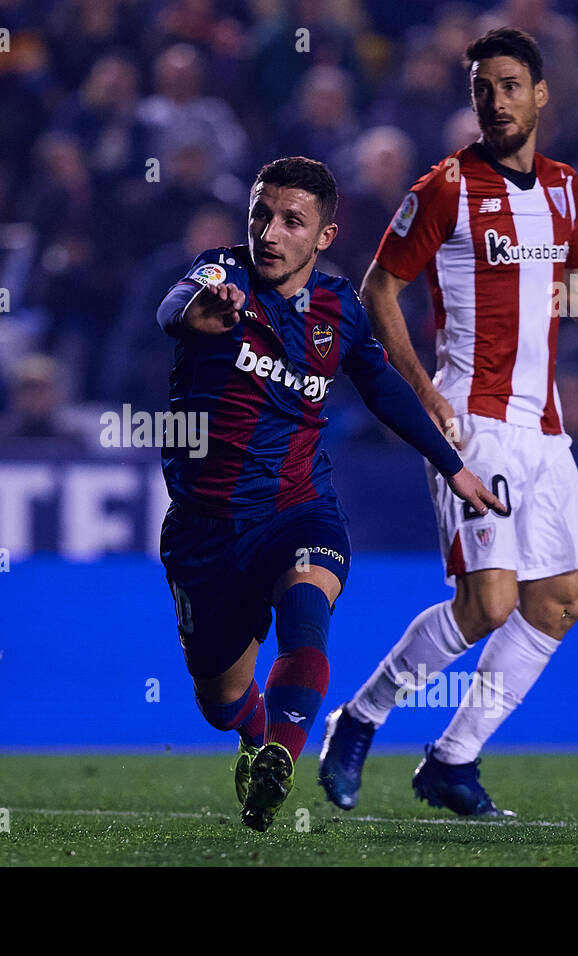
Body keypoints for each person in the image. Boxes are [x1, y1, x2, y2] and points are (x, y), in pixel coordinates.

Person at [320, 28, 578, 817]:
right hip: (475, 421)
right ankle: (358, 719)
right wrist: (426, 395)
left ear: (541, 95)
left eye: (509, 85)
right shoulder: (444, 189)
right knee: (488, 605)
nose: (495, 101)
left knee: (560, 602)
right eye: (482, 89)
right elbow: (377, 290)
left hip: (546, 430)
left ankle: (453, 760)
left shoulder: (566, 188)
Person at [157, 156, 503, 832]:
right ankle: (256, 734)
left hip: (298, 505)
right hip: (206, 526)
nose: (270, 232)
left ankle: (281, 761)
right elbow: (171, 308)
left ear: (324, 236)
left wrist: (452, 465)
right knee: (221, 699)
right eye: (262, 215)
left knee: (307, 604)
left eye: (292, 221)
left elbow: (381, 389)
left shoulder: (338, 308)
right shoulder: (220, 274)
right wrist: (202, 311)